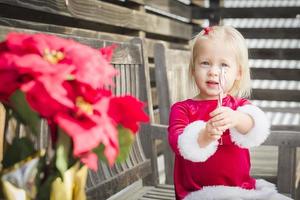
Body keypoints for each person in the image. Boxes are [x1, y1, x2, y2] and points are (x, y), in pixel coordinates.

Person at [168, 26, 292, 200]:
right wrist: (204, 136)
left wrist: (237, 118)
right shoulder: (182, 108)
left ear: (238, 73)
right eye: (205, 63)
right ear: (193, 69)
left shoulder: (239, 106)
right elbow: (177, 142)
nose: (214, 71)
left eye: (224, 65)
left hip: (242, 189)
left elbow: (254, 125)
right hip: (197, 193)